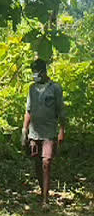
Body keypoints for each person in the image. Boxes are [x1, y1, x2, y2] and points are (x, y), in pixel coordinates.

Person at [21, 59, 66, 206]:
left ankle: (45, 199)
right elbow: (28, 111)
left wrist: (62, 131)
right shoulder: (32, 89)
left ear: (44, 72)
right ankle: (43, 191)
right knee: (36, 163)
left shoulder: (55, 88)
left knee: (46, 162)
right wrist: (24, 131)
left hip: (49, 133)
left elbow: (61, 112)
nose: (35, 75)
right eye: (33, 72)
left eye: (37, 72)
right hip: (34, 133)